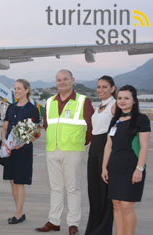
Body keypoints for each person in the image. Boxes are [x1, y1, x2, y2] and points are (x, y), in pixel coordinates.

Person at [36, 69, 94, 235]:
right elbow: (47, 124)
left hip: (73, 150)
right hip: (52, 150)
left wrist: (80, 142)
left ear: (72, 80)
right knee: (55, 188)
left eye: (65, 79)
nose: (62, 82)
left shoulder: (83, 101)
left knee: (72, 187)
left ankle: (73, 223)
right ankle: (54, 221)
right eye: (58, 80)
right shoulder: (50, 102)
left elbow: (91, 127)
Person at [101, 85, 150, 235]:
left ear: (134, 100)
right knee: (116, 205)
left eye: (126, 98)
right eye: (120, 98)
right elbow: (108, 146)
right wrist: (104, 167)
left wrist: (139, 169)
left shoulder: (141, 119)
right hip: (114, 168)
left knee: (127, 205)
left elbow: (144, 146)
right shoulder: (115, 120)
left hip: (132, 168)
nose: (122, 101)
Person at [1, 79, 40, 224]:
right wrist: (4, 141)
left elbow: (36, 133)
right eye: (15, 89)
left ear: (26, 90)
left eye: (19, 89)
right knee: (12, 181)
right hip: (10, 149)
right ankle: (20, 211)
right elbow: (5, 127)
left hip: (23, 150)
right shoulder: (11, 107)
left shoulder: (32, 109)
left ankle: (18, 213)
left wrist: (22, 143)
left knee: (19, 182)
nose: (16, 91)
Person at [85, 76, 116, 235]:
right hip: (94, 149)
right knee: (94, 191)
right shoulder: (99, 106)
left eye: (105, 87)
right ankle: (93, 229)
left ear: (112, 88)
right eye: (98, 87)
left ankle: (103, 230)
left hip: (106, 147)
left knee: (105, 192)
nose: (101, 90)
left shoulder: (114, 105)